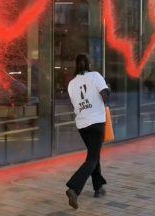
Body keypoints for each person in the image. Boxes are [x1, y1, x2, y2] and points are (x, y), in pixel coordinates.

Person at [65, 54, 110, 209]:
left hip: (82, 125)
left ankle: (98, 187)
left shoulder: (71, 84)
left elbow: (75, 103)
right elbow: (105, 95)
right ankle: (74, 188)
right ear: (89, 64)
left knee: (93, 154)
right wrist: (106, 93)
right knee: (92, 158)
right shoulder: (95, 76)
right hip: (97, 122)